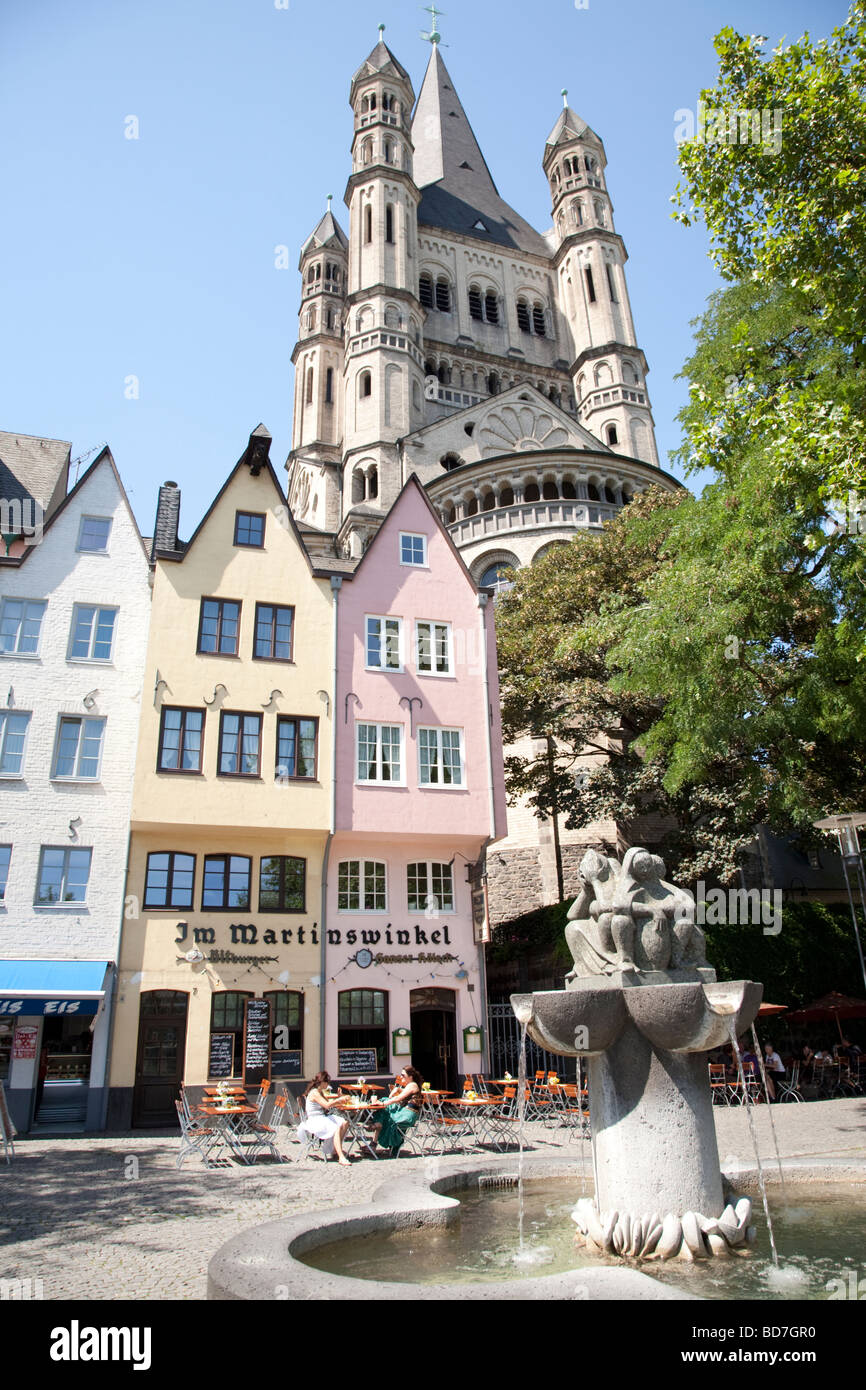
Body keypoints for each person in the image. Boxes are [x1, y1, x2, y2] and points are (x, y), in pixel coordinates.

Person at [300, 1071, 351, 1164]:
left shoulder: (319, 1092)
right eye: (327, 1082)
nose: (328, 1084)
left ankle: (335, 1149)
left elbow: (329, 1103)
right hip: (315, 1120)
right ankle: (341, 1157)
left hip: (322, 1117)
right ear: (322, 1082)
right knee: (336, 1128)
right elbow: (327, 1105)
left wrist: (339, 1098)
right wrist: (339, 1100)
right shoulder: (315, 1092)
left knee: (345, 1123)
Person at [370, 1066, 423, 1156]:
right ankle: (377, 1127)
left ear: (410, 1076)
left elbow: (398, 1098)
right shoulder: (409, 1085)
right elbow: (392, 1098)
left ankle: (376, 1126)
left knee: (386, 1109)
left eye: (403, 1075)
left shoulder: (412, 1085)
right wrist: (394, 1091)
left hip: (408, 1114)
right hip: (404, 1111)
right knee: (385, 1105)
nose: (401, 1077)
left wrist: (383, 1104)